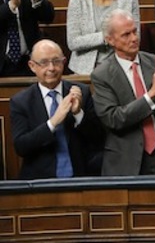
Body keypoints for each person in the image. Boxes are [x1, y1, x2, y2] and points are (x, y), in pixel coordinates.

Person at [92, 8, 155, 176]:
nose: (134, 38)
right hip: (126, 161)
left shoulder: (153, 62)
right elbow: (114, 119)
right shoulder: (102, 75)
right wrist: (152, 93)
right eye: (126, 35)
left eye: (135, 31)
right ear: (110, 40)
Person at [10, 39, 102, 179]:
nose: (52, 68)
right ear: (32, 66)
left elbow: (98, 137)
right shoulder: (21, 101)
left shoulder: (81, 92)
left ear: (64, 62)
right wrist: (53, 122)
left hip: (80, 178)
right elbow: (21, 147)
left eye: (56, 61)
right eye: (44, 63)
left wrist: (78, 114)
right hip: (39, 182)